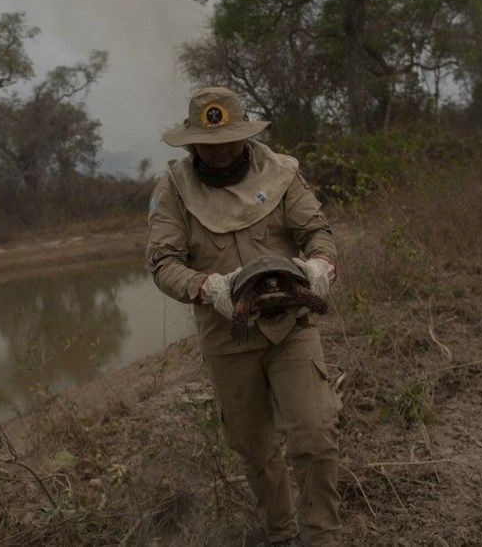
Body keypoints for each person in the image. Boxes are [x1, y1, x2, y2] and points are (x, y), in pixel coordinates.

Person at [145, 86, 341, 546]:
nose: (221, 151)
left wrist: (319, 266)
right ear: (192, 142)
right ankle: (280, 533)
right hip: (227, 334)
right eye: (210, 144)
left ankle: (323, 538)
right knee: (254, 448)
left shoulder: (282, 173)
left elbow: (318, 232)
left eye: (230, 140)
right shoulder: (173, 189)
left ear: (246, 132)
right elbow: (161, 263)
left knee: (314, 434)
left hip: (290, 325)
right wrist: (205, 287)